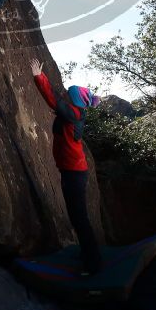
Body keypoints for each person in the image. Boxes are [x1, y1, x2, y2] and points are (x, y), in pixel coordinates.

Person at [29, 58, 103, 275]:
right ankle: (88, 254)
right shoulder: (75, 112)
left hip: (74, 172)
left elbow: (52, 99)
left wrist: (38, 76)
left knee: (79, 217)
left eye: (67, 95)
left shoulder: (71, 113)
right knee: (76, 215)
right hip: (72, 169)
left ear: (72, 100)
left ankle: (93, 264)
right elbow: (59, 100)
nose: (63, 95)